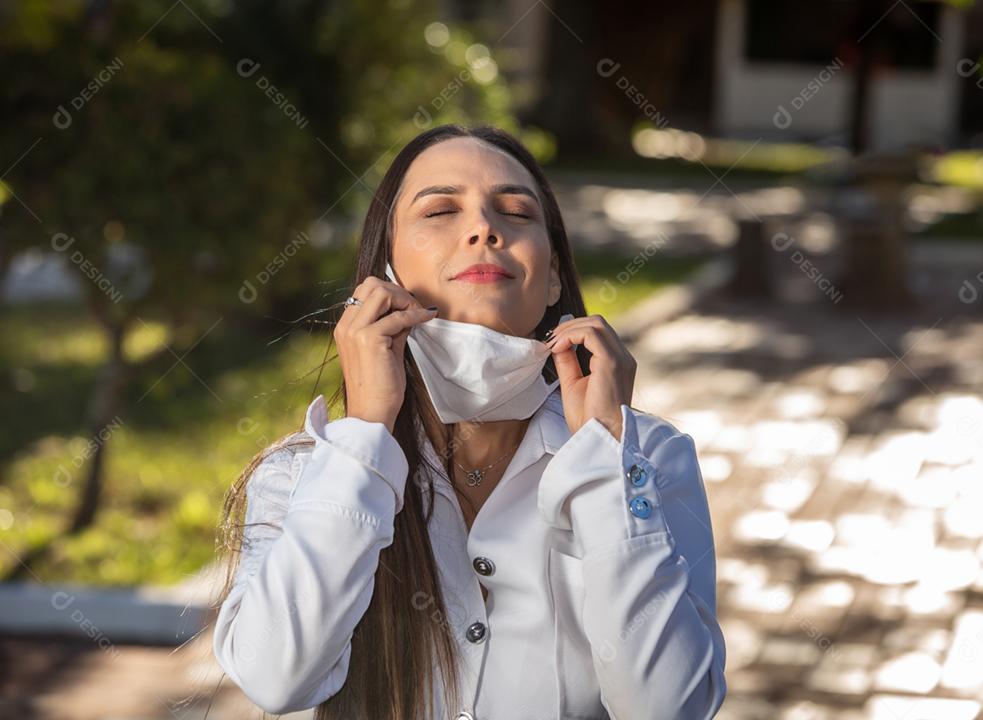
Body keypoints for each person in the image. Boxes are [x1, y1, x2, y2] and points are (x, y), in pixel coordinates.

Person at [211, 124, 727, 720]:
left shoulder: (649, 459)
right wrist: (366, 434)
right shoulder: (302, 475)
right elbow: (275, 677)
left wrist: (606, 466)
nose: (485, 229)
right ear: (385, 275)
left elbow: (669, 709)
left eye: (515, 211)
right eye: (440, 211)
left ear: (554, 275)